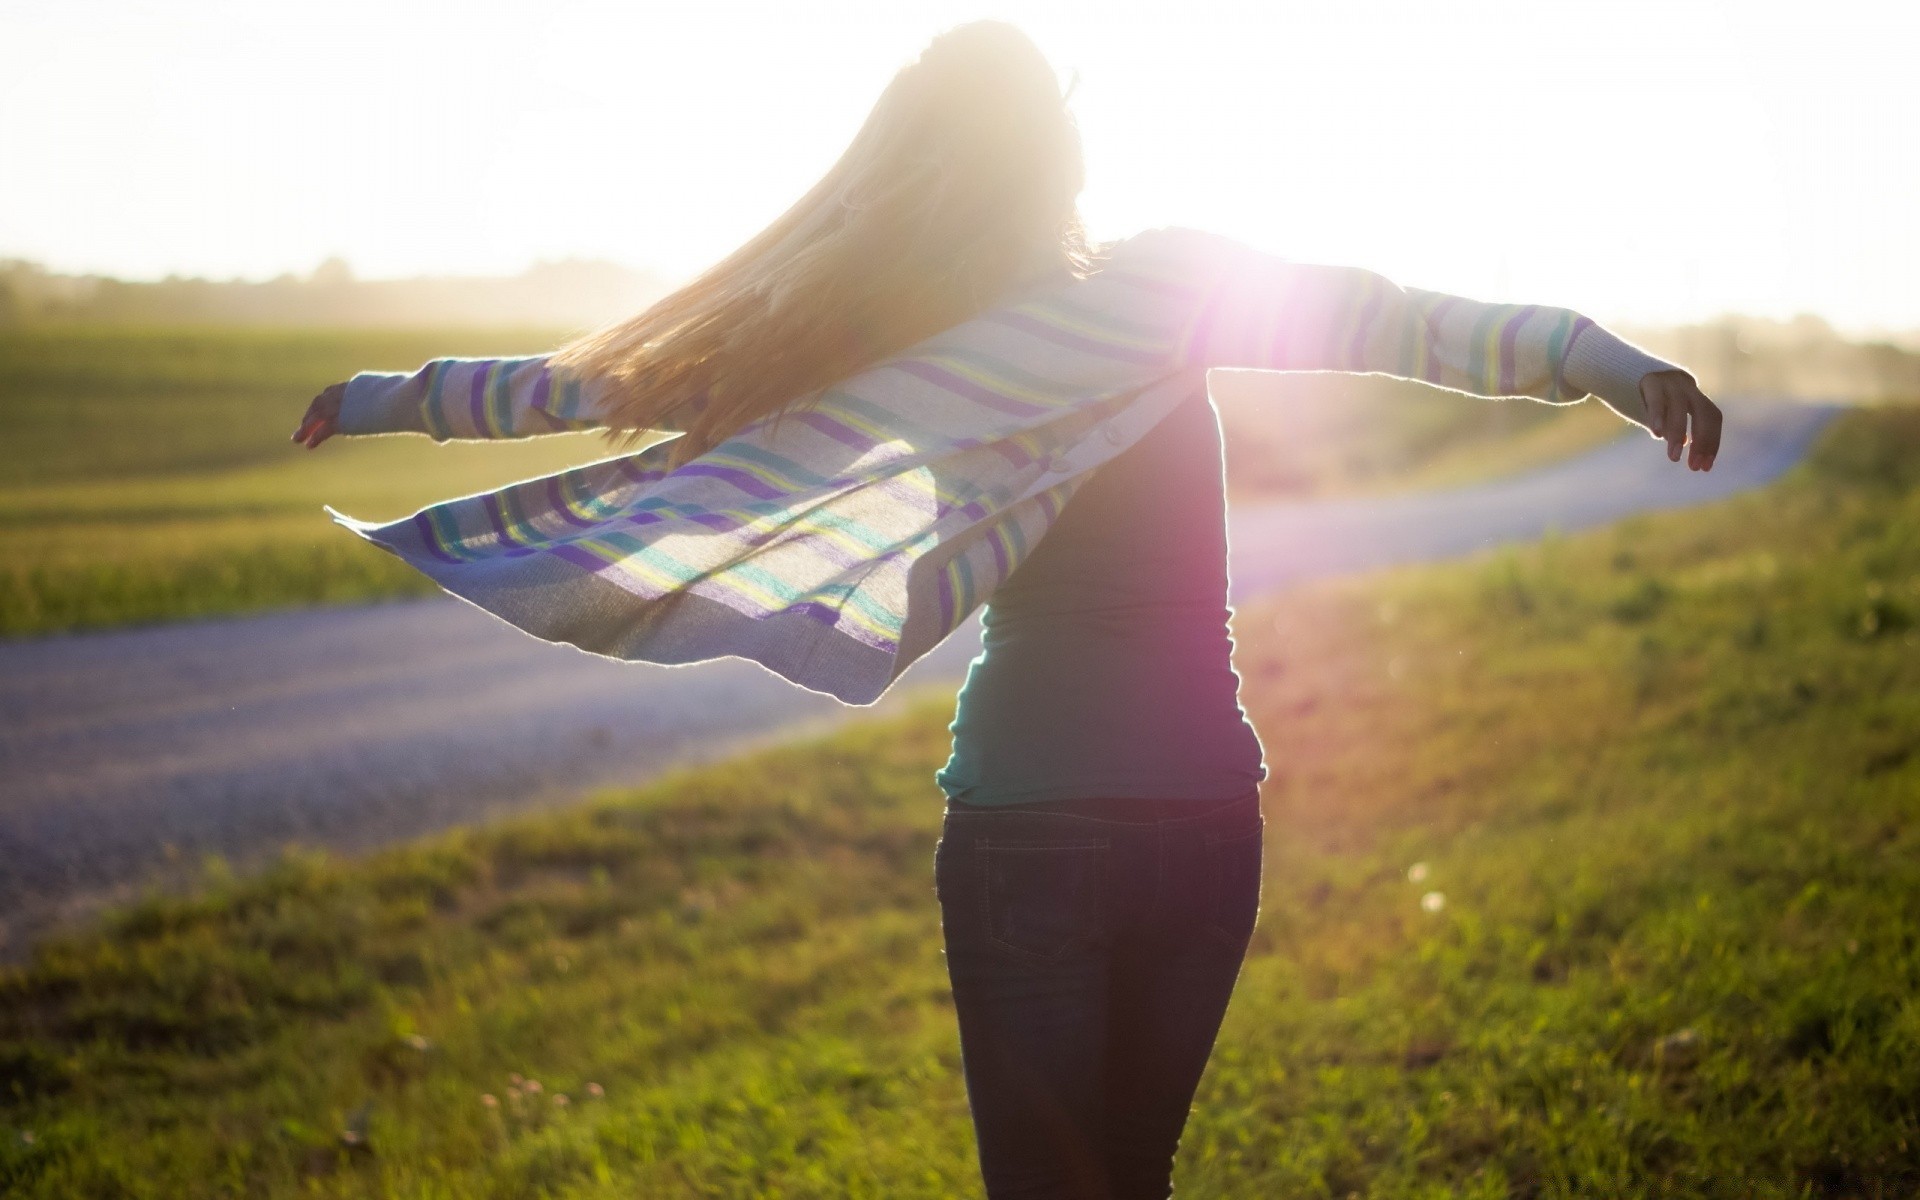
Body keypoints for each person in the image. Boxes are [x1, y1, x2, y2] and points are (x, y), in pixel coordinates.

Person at [293, 20, 1720, 1199]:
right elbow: (1401, 319)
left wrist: (399, 400)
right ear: (1064, 152)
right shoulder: (1166, 290)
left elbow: (620, 384)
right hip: (1205, 823)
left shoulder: (889, 342)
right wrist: (1603, 361)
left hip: (1034, 830)